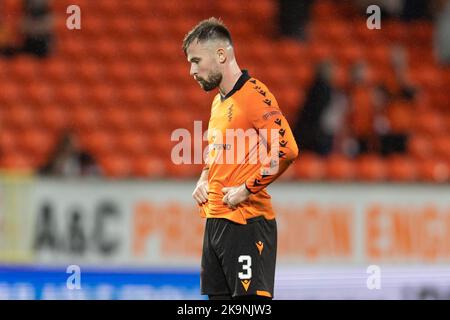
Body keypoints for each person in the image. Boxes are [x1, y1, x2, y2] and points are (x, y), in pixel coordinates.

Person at [183, 18, 299, 300]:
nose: (192, 71)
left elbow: (287, 150)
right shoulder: (218, 101)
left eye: (197, 61)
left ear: (221, 55)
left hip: (247, 223)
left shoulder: (253, 95)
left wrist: (245, 190)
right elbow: (217, 151)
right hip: (216, 222)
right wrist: (204, 178)